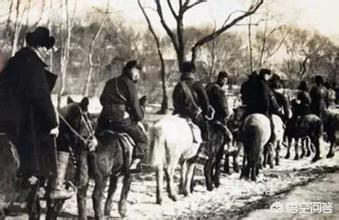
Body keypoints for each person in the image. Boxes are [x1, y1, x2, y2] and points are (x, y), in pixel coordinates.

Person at [0, 27, 73, 199]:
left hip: (3, 118)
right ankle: (39, 184)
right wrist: (53, 124)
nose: (48, 52)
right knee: (45, 144)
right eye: (47, 48)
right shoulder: (34, 66)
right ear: (40, 47)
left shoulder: (14, 61)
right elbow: (41, 98)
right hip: (21, 122)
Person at [96, 60, 148, 172]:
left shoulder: (110, 82)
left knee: (94, 137)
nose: (138, 76)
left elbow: (102, 100)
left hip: (104, 120)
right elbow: (135, 105)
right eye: (137, 72)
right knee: (143, 140)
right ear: (133, 70)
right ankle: (134, 164)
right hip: (120, 121)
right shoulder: (130, 84)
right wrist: (138, 117)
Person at [172, 61, 213, 161]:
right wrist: (205, 112)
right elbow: (205, 102)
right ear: (193, 71)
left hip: (178, 114)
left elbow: (174, 101)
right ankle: (202, 150)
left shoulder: (178, 85)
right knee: (205, 127)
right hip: (193, 116)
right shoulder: (197, 85)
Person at [240, 68, 280, 142]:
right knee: (272, 126)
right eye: (268, 76)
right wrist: (274, 109)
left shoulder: (251, 83)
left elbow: (243, 95)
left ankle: (239, 139)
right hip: (263, 110)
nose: (269, 78)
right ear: (265, 75)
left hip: (250, 109)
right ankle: (271, 140)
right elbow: (267, 99)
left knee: (242, 122)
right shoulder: (265, 85)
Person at [205, 71, 232, 141]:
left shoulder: (209, 86)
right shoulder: (219, 90)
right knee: (228, 134)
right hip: (217, 116)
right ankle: (227, 145)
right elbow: (223, 105)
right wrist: (227, 114)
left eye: (226, 80)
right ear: (220, 79)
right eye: (224, 80)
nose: (225, 82)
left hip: (206, 115)